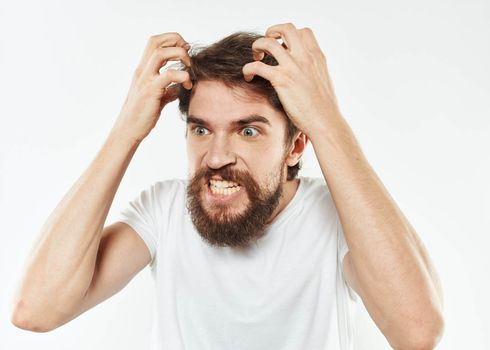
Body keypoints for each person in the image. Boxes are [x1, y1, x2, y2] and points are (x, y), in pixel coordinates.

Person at [10, 23, 444, 349]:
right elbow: (35, 310)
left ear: (296, 145)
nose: (216, 158)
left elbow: (417, 330)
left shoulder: (337, 217)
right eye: (201, 130)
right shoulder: (163, 212)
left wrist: (327, 119)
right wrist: (126, 130)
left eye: (247, 131)